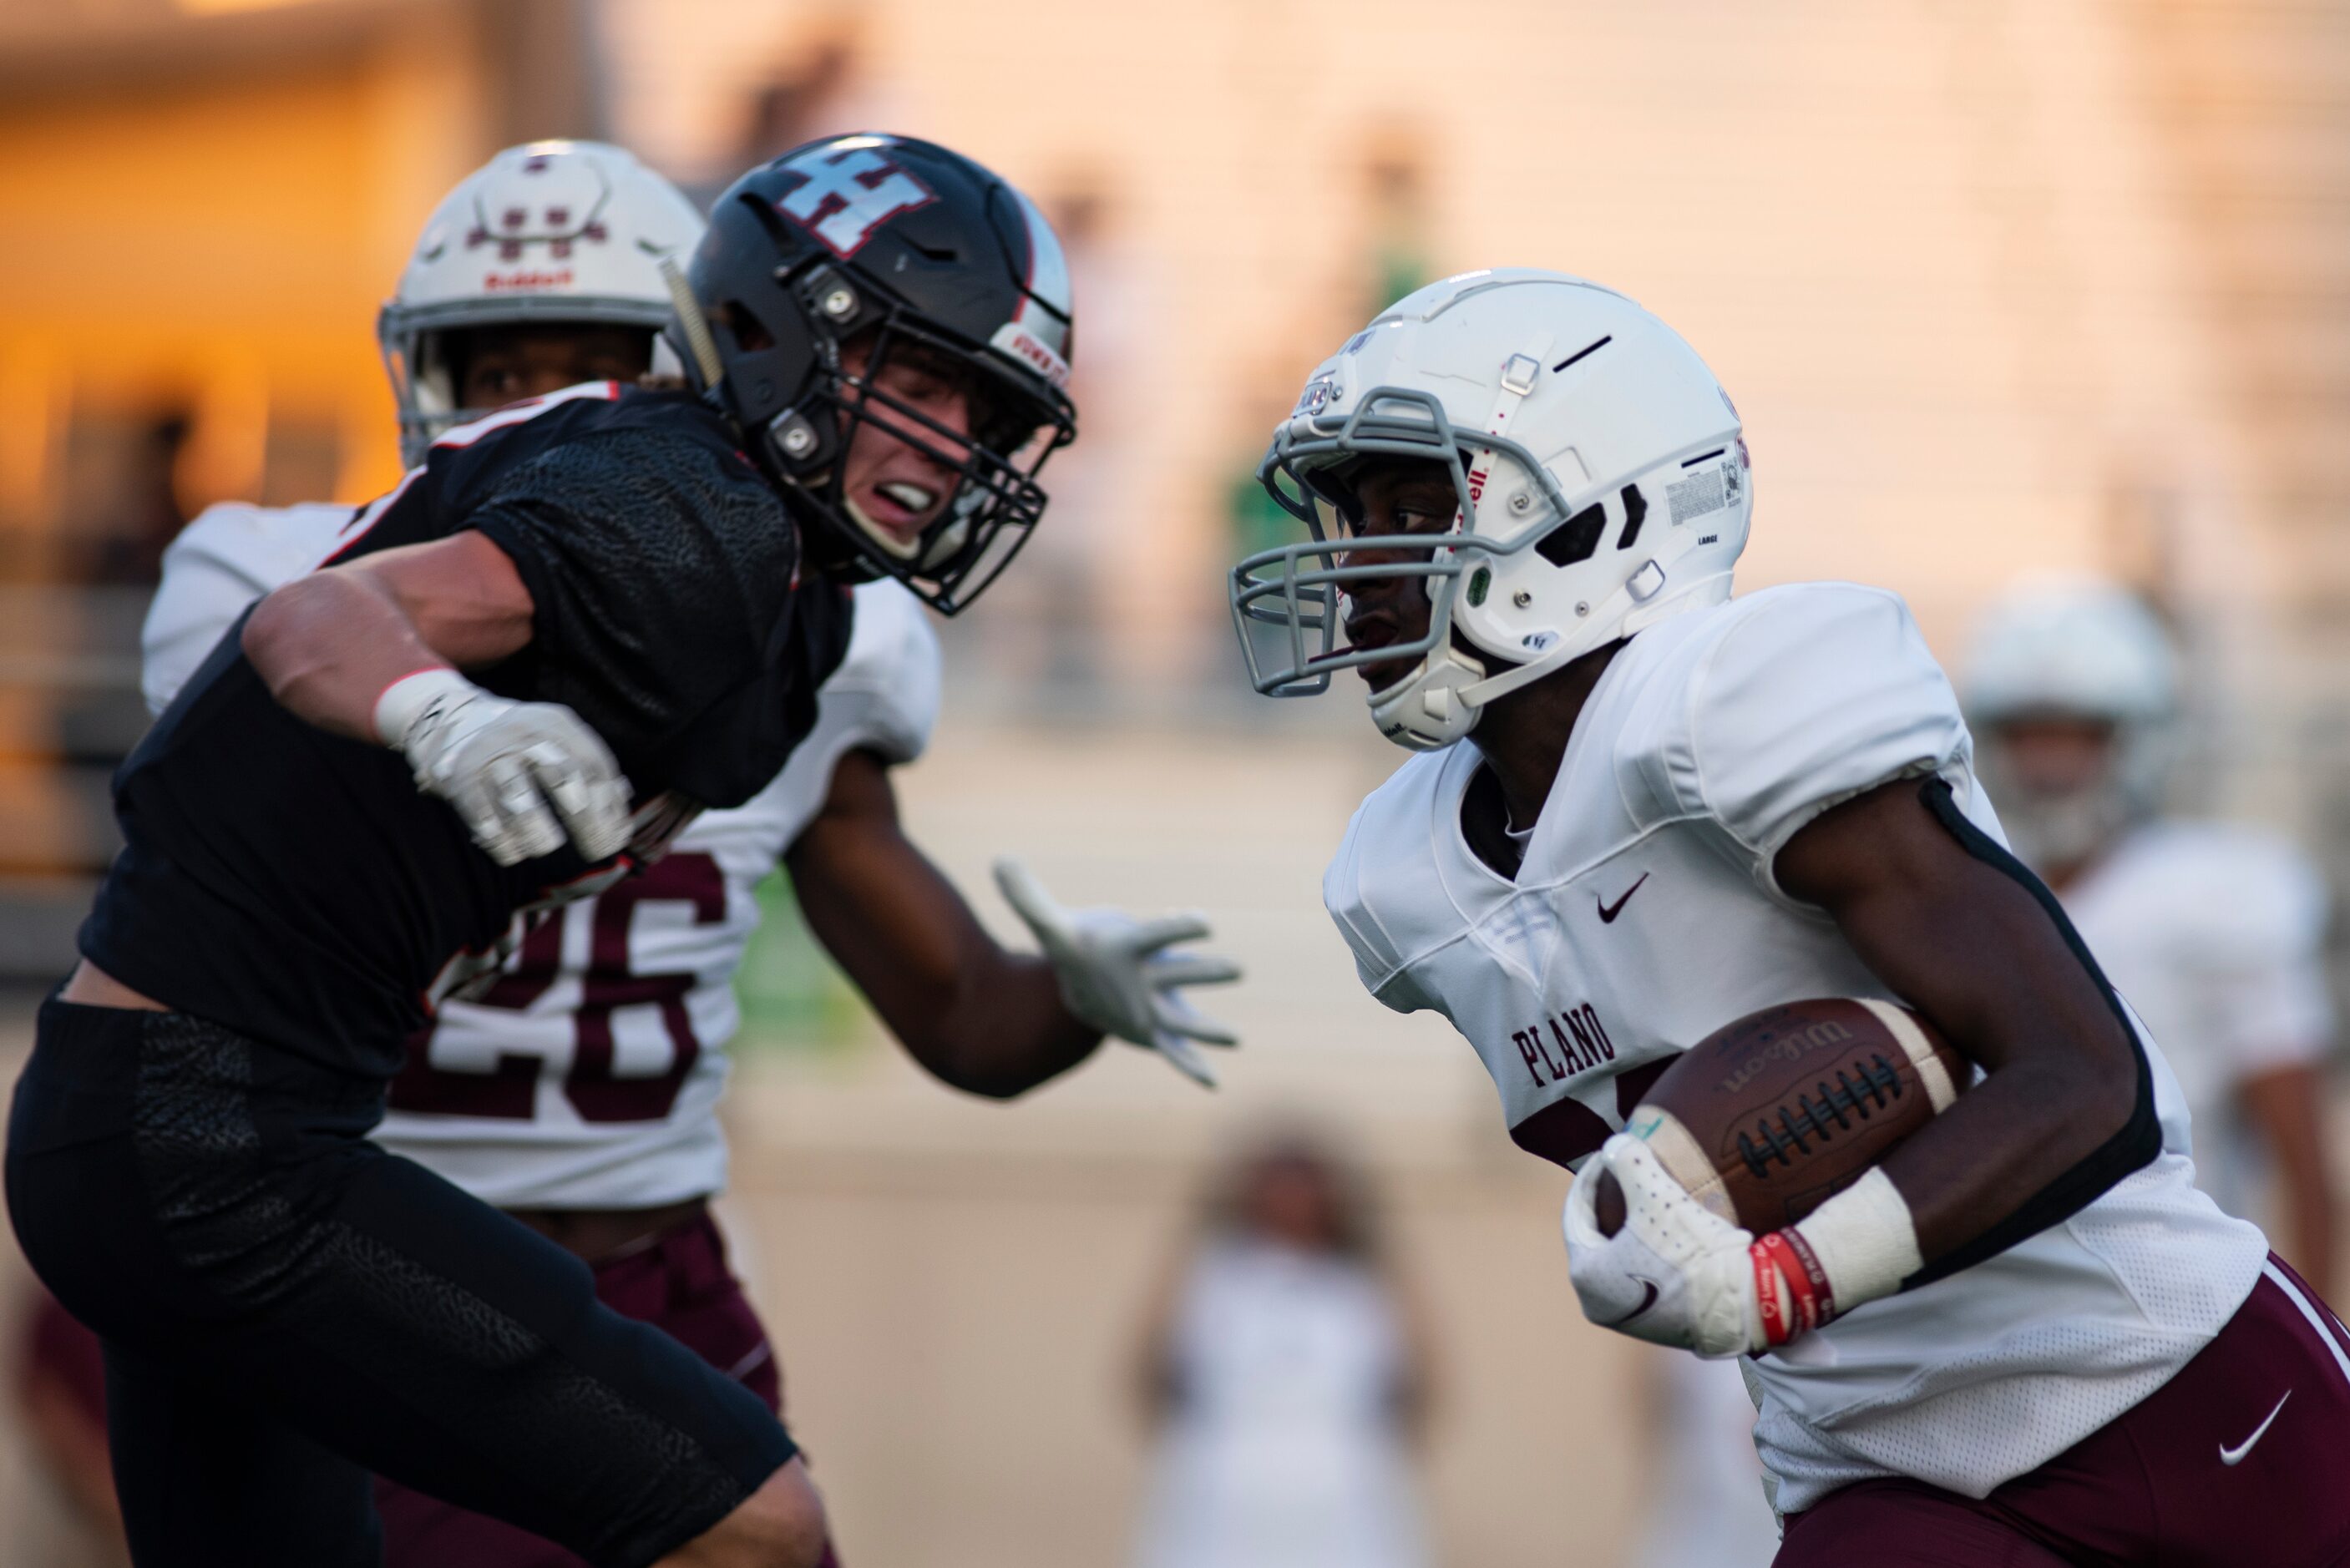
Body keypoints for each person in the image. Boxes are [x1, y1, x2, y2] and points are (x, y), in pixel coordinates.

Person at [3, 133, 1227, 1568]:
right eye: (919, 376)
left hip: (194, 1130)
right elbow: (304, 622)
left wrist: (1065, 994)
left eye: (982, 400)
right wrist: (440, 713)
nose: (954, 440)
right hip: (223, 1141)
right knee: (761, 1530)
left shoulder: (798, 599)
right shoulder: (680, 503)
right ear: (780, 335)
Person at [1229, 267, 2350, 1565]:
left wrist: (1785, 1275)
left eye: (1418, 505)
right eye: (1354, 512)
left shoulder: (1727, 707)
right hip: (1882, 1459)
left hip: (2168, 1382)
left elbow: (2085, 1077)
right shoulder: (1400, 873)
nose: (1361, 560)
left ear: (1598, 517)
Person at [1965, 577, 2337, 1288]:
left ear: (2137, 741)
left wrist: (2316, 1342)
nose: (2048, 766)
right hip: (2011, 1304)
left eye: (2076, 735)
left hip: (2184, 1302)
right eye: (2028, 734)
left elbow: (2301, 1158)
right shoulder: (1967, 894)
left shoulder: (2219, 894)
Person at [1129, 1130, 1432, 1568]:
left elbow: (1414, 1387)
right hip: (1224, 1502)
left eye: (1304, 1186)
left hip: (1343, 1504)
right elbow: (1153, 1377)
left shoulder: (1359, 1285)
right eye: (1277, 1185)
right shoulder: (1212, 1277)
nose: (1291, 1201)